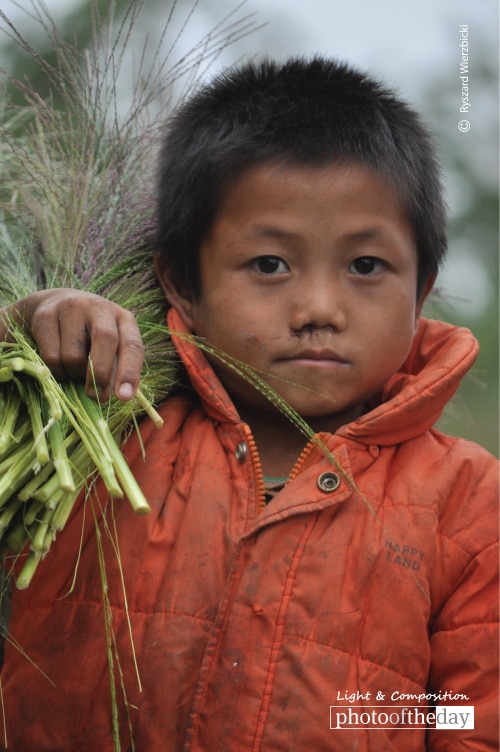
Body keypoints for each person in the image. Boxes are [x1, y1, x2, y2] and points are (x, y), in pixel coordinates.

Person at [0, 57, 498, 752]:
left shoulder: (471, 504)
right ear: (181, 285)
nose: (319, 309)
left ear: (421, 291)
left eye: (365, 266)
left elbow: (472, 723)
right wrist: (23, 341)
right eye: (269, 264)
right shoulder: (98, 432)